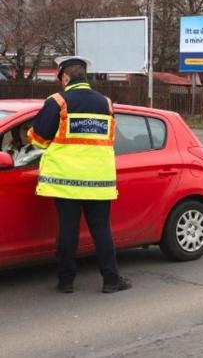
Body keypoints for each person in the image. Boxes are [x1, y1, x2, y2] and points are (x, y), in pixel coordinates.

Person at [27, 56, 131, 294]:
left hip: (66, 181)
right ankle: (111, 280)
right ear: (84, 76)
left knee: (68, 230)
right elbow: (109, 139)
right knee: (101, 230)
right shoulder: (106, 103)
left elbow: (40, 140)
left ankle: (66, 281)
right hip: (98, 180)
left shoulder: (57, 101)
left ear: (65, 77)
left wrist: (30, 133)